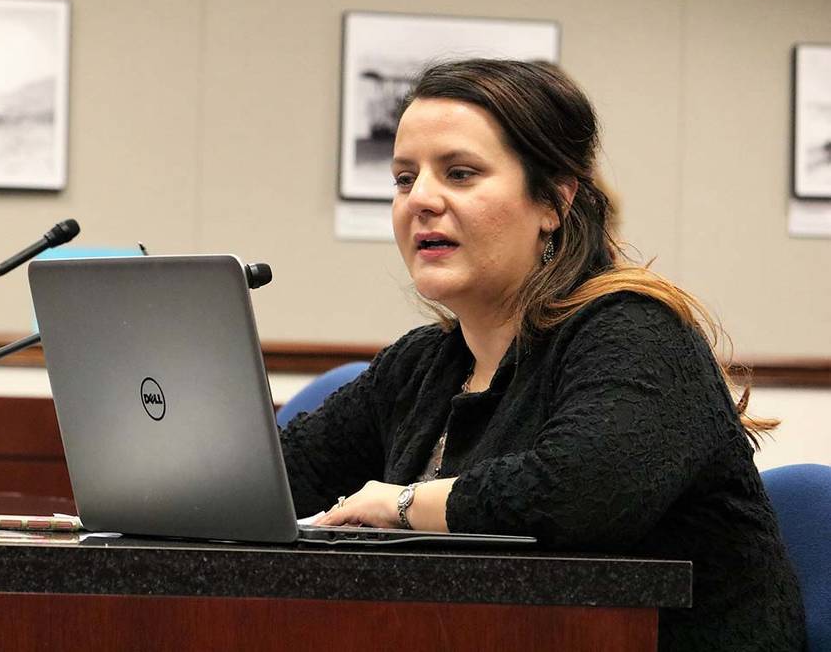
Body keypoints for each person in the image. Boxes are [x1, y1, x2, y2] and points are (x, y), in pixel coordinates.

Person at [279, 59, 806, 651]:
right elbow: (275, 479)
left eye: (458, 173)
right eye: (404, 179)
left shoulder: (636, 330)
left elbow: (578, 494)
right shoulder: (422, 364)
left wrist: (399, 505)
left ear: (553, 200)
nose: (420, 199)